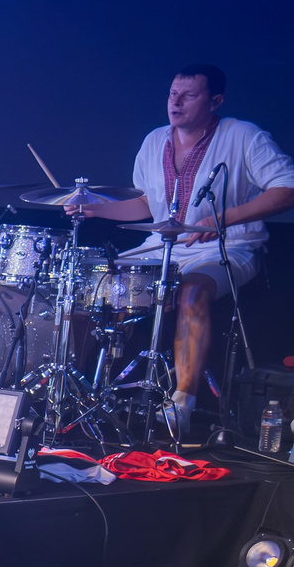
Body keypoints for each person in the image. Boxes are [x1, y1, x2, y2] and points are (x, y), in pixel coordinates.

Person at [56, 65, 294, 433]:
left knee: (192, 291)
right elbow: (147, 207)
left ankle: (182, 403)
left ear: (215, 101)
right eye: (172, 94)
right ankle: (84, 391)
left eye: (189, 95)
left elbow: (287, 189)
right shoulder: (154, 141)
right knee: (95, 284)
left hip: (230, 247)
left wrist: (223, 219)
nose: (176, 102)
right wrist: (91, 208)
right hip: (162, 246)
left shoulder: (244, 136)